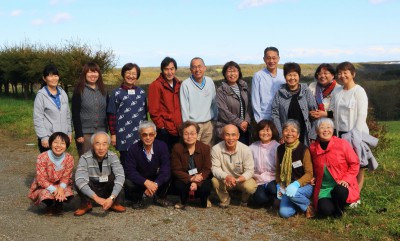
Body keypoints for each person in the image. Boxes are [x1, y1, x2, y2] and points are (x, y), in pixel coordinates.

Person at [329, 61, 369, 191]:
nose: (342, 75)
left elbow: (362, 114)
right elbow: (332, 111)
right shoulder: (337, 91)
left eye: (345, 72)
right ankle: (347, 191)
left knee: (358, 164)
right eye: (339, 73)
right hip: (339, 133)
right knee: (344, 164)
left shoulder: (359, 91)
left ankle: (356, 194)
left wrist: (354, 135)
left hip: (356, 133)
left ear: (353, 74)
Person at [309, 118, 360, 218]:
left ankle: (339, 210)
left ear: (333, 130)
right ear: (316, 131)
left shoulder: (342, 144)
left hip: (340, 184)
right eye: (322, 127)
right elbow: (313, 166)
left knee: (340, 190)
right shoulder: (313, 148)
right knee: (325, 210)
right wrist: (313, 176)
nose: (326, 130)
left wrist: (346, 179)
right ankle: (335, 206)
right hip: (324, 188)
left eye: (329, 127)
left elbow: (355, 163)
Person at [74, 131, 126, 216]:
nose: (101, 148)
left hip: (106, 186)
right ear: (92, 145)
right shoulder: (84, 158)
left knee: (115, 177)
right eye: (97, 144)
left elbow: (120, 176)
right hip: (92, 187)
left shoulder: (113, 156)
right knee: (78, 180)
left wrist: (112, 197)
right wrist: (96, 198)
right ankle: (86, 204)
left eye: (104, 144)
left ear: (108, 145)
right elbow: (79, 180)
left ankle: (114, 203)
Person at [124, 121, 172, 209]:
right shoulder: (133, 149)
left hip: (156, 180)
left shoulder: (162, 146)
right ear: (140, 135)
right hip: (142, 180)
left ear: (155, 134)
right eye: (144, 135)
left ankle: (159, 197)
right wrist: (145, 182)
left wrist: (155, 184)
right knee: (128, 182)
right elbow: (130, 171)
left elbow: (165, 169)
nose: (148, 137)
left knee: (167, 175)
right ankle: (141, 198)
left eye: (151, 134)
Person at [107, 63, 147, 166]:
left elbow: (145, 114)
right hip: (123, 134)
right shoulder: (116, 93)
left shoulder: (141, 92)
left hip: (140, 134)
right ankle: (125, 181)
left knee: (141, 160)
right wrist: (113, 134)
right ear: (123, 74)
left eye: (134, 73)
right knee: (126, 161)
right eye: (128, 73)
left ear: (137, 76)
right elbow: (112, 115)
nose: (131, 76)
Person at [271, 62, 318, 146]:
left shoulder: (306, 91)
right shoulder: (279, 93)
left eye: (295, 75)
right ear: (285, 77)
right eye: (289, 75)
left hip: (304, 134)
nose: (292, 78)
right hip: (287, 135)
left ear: (299, 76)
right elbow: (275, 115)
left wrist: (313, 135)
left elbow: (315, 113)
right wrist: (281, 134)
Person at [28, 132, 74, 215]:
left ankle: (58, 205)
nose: (58, 146)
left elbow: (66, 176)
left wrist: (60, 189)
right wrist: (55, 190)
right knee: (45, 194)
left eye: (62, 143)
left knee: (68, 192)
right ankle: (49, 205)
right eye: (55, 142)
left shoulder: (69, 158)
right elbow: (41, 179)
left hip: (61, 185)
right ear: (50, 143)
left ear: (66, 145)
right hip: (44, 186)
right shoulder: (42, 157)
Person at [211, 124, 257, 208]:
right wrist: (227, 176)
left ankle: (244, 200)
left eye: (233, 135)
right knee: (215, 181)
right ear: (222, 136)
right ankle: (225, 198)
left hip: (241, 179)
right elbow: (215, 169)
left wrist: (238, 179)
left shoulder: (246, 149)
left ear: (238, 136)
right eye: (227, 135)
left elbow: (250, 170)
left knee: (251, 186)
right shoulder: (215, 149)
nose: (230, 138)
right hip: (225, 179)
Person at [275, 120, 314, 218]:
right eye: (286, 130)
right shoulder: (280, 149)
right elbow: (278, 170)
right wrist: (279, 185)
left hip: (303, 185)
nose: (289, 133)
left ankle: (309, 205)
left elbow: (309, 174)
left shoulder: (303, 149)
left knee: (292, 193)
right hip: (287, 185)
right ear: (282, 132)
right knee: (284, 213)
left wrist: (296, 184)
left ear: (298, 135)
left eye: (293, 131)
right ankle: (299, 205)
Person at [171, 121, 212, 209]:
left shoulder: (205, 148)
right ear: (182, 135)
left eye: (193, 133)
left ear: (197, 134)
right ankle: (182, 200)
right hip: (185, 178)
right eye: (186, 134)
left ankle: (204, 199)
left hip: (200, 177)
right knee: (178, 185)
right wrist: (191, 178)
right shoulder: (177, 148)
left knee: (206, 186)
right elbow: (176, 169)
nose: (189, 137)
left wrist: (196, 181)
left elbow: (207, 168)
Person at [72, 62, 108, 157]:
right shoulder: (79, 90)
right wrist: (79, 133)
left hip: (101, 132)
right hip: (85, 133)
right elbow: (75, 113)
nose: (93, 74)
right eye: (90, 72)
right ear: (85, 74)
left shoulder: (104, 90)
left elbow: (107, 112)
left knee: (101, 158)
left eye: (95, 72)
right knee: (86, 159)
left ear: (99, 74)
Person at [33, 64, 72, 153]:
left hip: (62, 138)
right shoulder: (41, 95)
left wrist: (69, 133)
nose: (54, 78)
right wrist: (43, 137)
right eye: (50, 76)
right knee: (48, 165)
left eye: (55, 75)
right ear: (44, 78)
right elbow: (38, 118)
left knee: (61, 164)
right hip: (49, 137)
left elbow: (68, 115)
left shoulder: (63, 93)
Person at [180, 57, 217, 146]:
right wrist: (188, 127)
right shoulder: (185, 84)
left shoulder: (209, 81)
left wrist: (215, 119)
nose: (197, 69)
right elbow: (184, 107)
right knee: (193, 150)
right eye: (194, 67)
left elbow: (214, 102)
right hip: (194, 124)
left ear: (205, 67)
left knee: (207, 151)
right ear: (190, 70)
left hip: (209, 124)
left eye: (200, 66)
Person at [148, 57, 182, 151]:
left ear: (175, 69)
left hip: (178, 129)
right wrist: (161, 127)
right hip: (165, 130)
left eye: (172, 69)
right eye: (166, 69)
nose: (169, 72)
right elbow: (153, 110)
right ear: (162, 70)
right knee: (166, 158)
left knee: (177, 158)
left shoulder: (179, 84)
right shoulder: (156, 85)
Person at [215, 61, 251, 145]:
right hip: (229, 129)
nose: (232, 74)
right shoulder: (221, 90)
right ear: (224, 74)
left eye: (234, 71)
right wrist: (239, 122)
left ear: (239, 72)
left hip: (244, 128)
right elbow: (223, 111)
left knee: (243, 153)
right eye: (229, 71)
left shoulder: (244, 87)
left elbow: (249, 106)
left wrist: (246, 121)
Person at [249, 120, 280, 207]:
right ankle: (269, 200)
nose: (265, 133)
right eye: (262, 130)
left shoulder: (277, 147)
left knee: (273, 190)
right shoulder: (252, 147)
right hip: (258, 179)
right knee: (260, 199)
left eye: (268, 130)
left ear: (272, 132)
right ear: (258, 132)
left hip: (273, 178)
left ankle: (273, 198)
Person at [251, 47, 286, 123]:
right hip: (264, 117)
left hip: (282, 116)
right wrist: (259, 120)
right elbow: (255, 100)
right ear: (264, 59)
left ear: (278, 59)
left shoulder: (284, 74)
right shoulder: (258, 76)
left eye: (274, 58)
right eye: (268, 58)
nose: (271, 61)